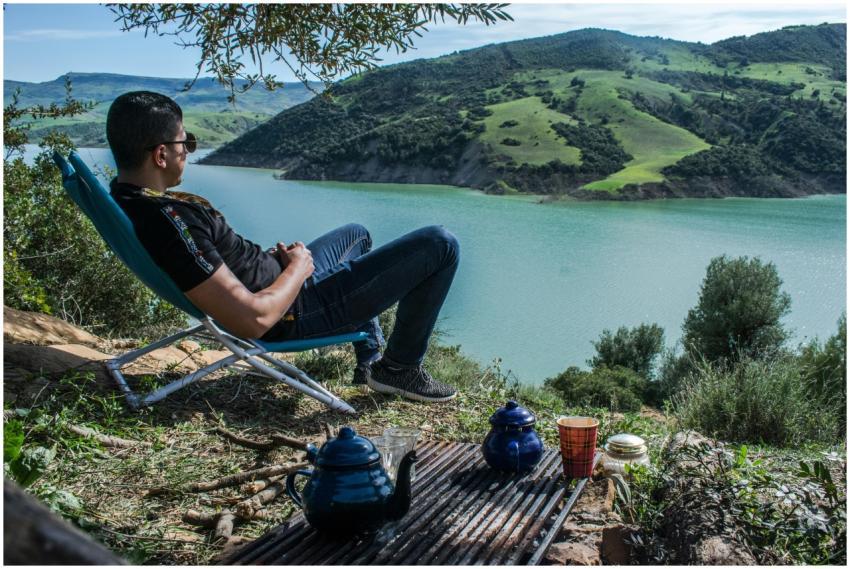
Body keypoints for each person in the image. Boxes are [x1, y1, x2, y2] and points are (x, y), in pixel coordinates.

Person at [106, 91, 459, 402]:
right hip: (294, 310)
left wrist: (274, 262)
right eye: (187, 144)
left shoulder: (130, 199)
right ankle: (398, 369)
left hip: (284, 283)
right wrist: (296, 269)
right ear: (161, 155)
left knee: (357, 234)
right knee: (439, 244)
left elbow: (220, 265)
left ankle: (369, 360)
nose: (190, 152)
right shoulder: (171, 223)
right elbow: (254, 320)